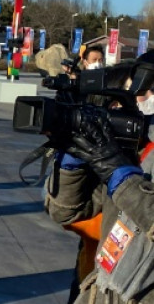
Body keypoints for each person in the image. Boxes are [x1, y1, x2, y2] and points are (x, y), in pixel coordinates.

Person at [46, 52, 154, 304]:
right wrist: (73, 163)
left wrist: (122, 176)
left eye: (145, 91)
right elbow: (65, 212)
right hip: (104, 289)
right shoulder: (133, 151)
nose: (142, 100)